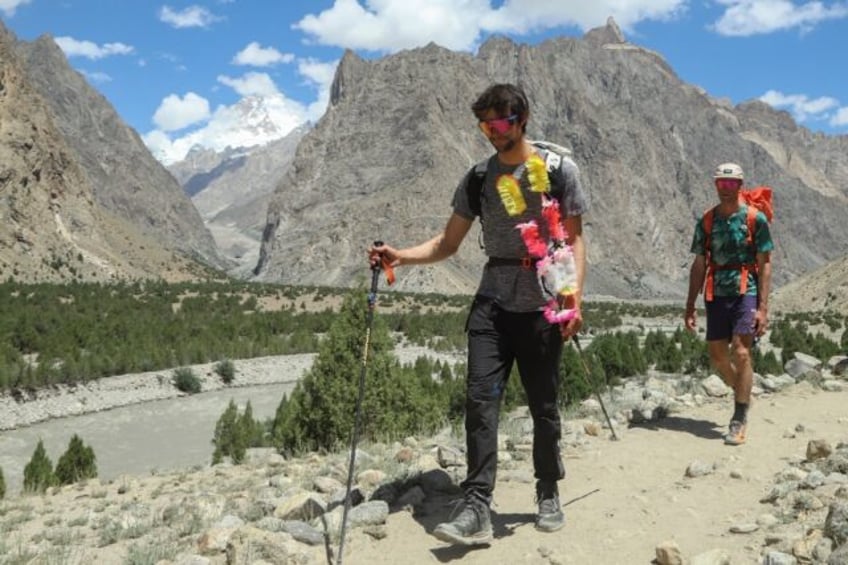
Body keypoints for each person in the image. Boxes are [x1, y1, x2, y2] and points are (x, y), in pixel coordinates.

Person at [368, 83, 588, 545]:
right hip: (491, 304)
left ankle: (547, 489)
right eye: (485, 124)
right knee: (480, 403)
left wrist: (573, 297)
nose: (491, 132)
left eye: (500, 122)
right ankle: (476, 505)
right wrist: (399, 257)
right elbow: (447, 244)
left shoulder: (559, 170)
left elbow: (573, 239)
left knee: (544, 406)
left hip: (544, 303)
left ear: (522, 119)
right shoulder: (477, 178)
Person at [684, 162, 773, 446]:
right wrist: (689, 305)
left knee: (741, 352)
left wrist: (763, 307)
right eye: (721, 184)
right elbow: (699, 264)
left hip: (746, 290)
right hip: (716, 291)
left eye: (731, 184)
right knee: (718, 356)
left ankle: (739, 417)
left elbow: (765, 264)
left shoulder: (755, 219)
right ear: (715, 185)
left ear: (740, 185)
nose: (726, 189)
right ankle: (742, 390)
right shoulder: (707, 221)